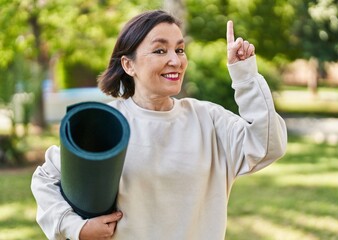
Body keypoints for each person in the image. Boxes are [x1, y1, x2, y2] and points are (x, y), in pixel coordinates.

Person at [31, 10, 287, 240]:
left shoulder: (208, 119)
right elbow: (46, 178)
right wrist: (75, 227)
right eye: (160, 50)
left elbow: (267, 145)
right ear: (128, 64)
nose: (175, 60)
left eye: (180, 49)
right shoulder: (107, 123)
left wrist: (245, 75)